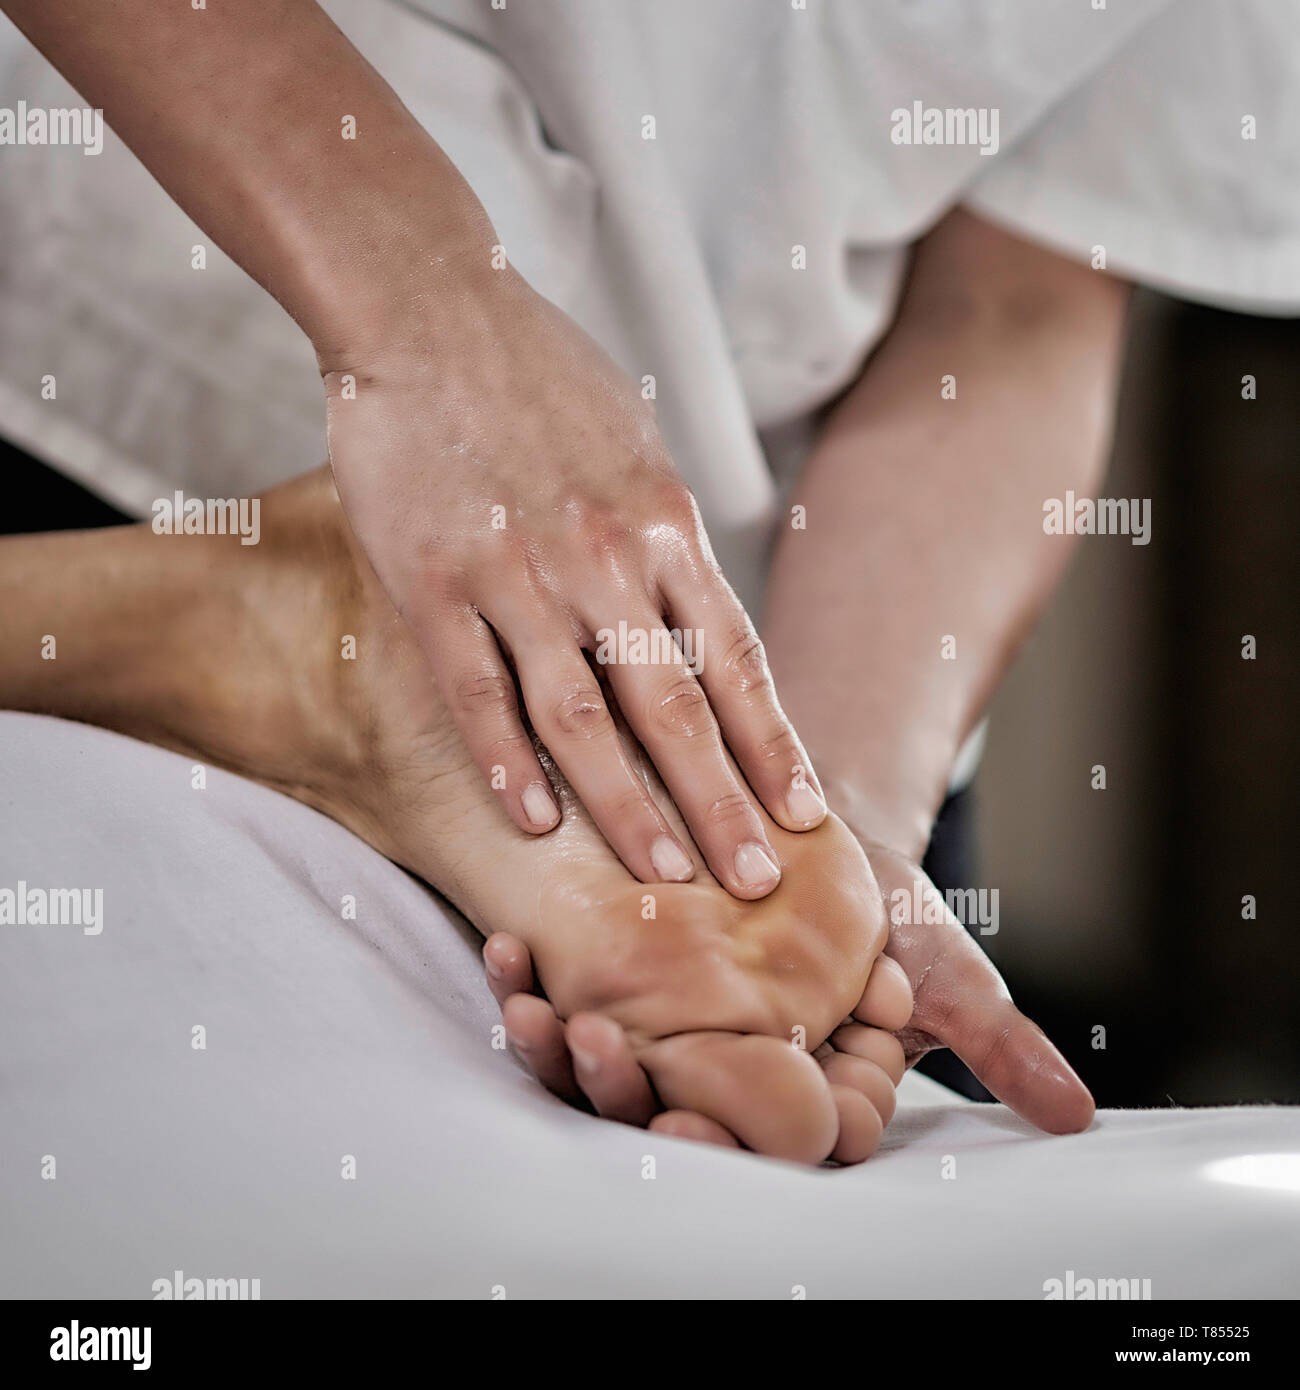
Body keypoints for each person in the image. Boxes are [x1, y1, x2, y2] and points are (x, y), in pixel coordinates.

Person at [1, 0, 1294, 1144]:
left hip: (728, 686)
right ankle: (258, 626)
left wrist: (821, 809)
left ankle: (283, 638)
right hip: (131, 370)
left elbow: (1014, 308)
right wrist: (432, 314)